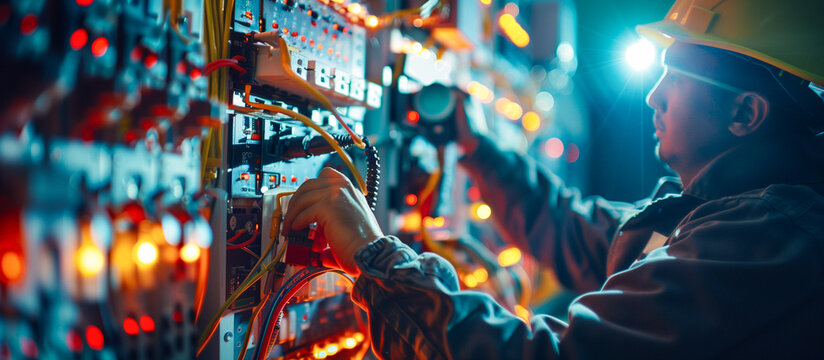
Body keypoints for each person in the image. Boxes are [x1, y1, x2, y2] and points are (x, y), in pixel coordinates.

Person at [282, 0, 824, 358]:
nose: (653, 96)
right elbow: (572, 230)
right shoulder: (714, 213)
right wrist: (476, 147)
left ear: (746, 115)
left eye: (676, 79)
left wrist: (372, 256)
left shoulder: (766, 243)